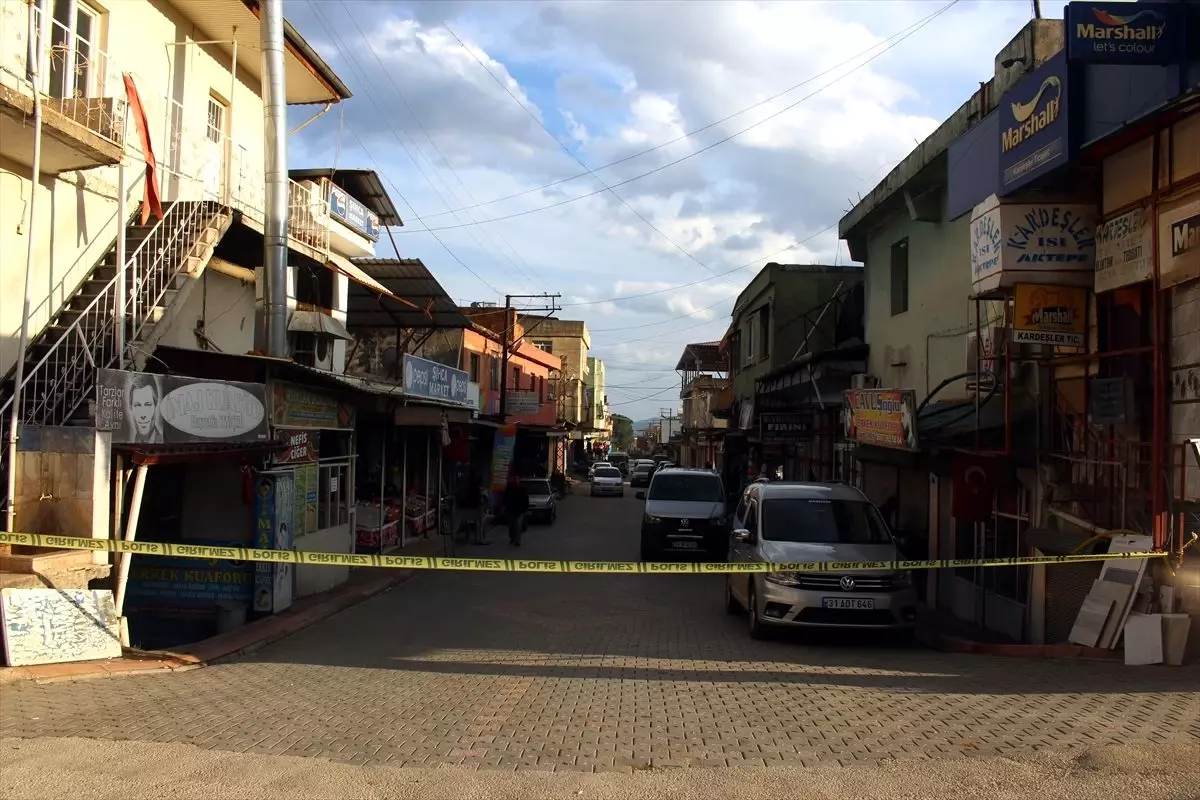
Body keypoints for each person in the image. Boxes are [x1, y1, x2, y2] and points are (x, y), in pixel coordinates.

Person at [126, 373, 163, 443]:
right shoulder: (129, 444)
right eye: (137, 405)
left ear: (155, 405)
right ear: (131, 407)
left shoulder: (161, 441)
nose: (143, 415)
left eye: (148, 405)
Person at [501, 474, 529, 547]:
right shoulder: (510, 488)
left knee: (518, 526)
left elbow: (526, 499)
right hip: (511, 510)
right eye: (514, 479)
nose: (516, 480)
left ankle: (517, 540)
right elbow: (505, 497)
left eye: (517, 479)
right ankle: (512, 538)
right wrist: (503, 506)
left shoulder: (522, 489)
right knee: (511, 525)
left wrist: (525, 508)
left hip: (520, 510)